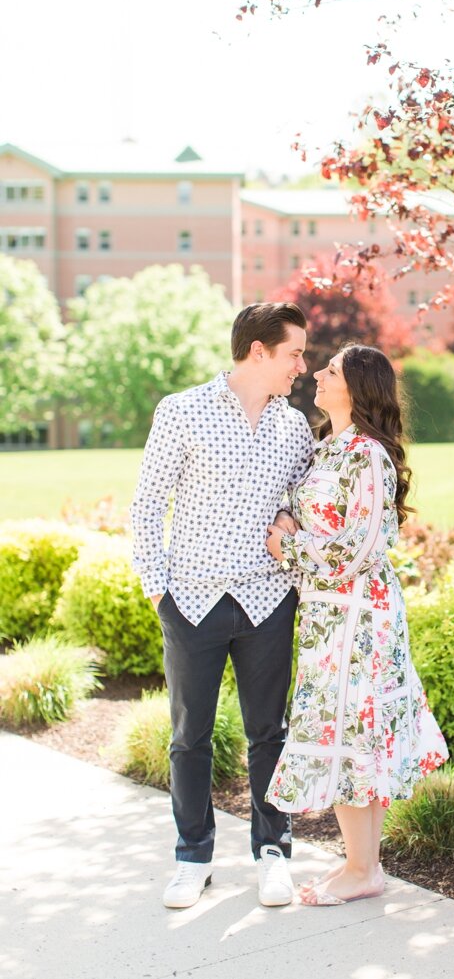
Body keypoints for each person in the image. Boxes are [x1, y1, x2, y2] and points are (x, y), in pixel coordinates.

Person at [130, 302, 314, 909]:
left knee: (270, 733)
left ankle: (273, 853)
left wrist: (289, 514)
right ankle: (192, 857)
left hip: (267, 600)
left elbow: (303, 497)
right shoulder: (181, 411)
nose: (302, 366)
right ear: (258, 352)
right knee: (190, 738)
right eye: (294, 353)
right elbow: (146, 504)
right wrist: (161, 592)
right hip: (192, 601)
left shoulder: (293, 427)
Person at [263, 343, 447, 906]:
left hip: (359, 619)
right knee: (346, 734)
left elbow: (359, 547)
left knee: (352, 731)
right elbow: (316, 519)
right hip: (327, 616)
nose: (317, 374)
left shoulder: (367, 454)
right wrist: (292, 520)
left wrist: (288, 547)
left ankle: (362, 867)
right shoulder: (328, 447)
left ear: (358, 388)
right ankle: (363, 867)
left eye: (332, 370)